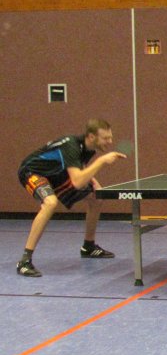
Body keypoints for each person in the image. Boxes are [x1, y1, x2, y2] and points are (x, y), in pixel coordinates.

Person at [16, 119, 127, 277]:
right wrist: (101, 161)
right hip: (32, 172)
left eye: (110, 137)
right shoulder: (71, 145)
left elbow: (79, 166)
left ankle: (88, 246)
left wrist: (94, 183)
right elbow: (77, 182)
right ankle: (24, 261)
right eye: (105, 138)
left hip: (56, 175)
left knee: (96, 197)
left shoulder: (89, 148)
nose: (110, 142)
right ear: (91, 137)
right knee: (50, 203)